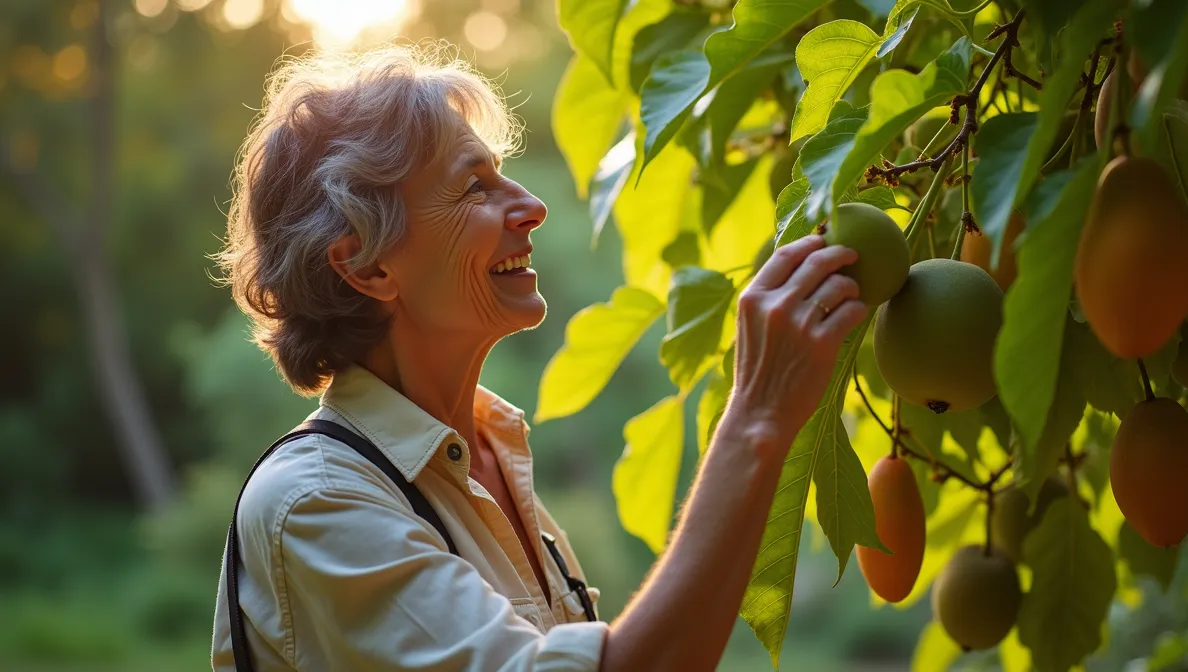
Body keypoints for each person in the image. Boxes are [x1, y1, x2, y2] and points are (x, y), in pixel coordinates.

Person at [209, 42, 867, 672]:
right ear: (366, 264)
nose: (532, 206)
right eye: (474, 188)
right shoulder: (318, 501)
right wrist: (754, 416)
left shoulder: (489, 457)